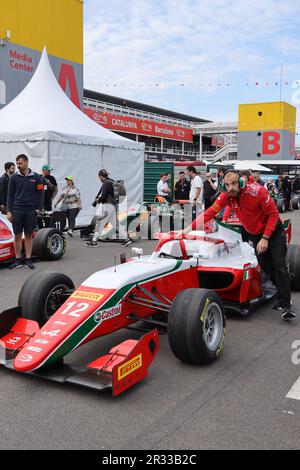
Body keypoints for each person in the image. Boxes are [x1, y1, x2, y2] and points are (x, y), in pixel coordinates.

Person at [178, 169, 295, 320]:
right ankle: (281, 294)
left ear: (241, 182)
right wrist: (187, 229)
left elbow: (273, 215)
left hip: (273, 232)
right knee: (266, 267)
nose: (231, 187)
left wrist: (265, 238)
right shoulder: (227, 195)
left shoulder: (258, 192)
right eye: (227, 184)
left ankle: (286, 305)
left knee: (279, 264)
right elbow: (209, 213)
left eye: (234, 183)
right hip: (255, 234)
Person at [7, 154, 44, 269]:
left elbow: (41, 194)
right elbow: (9, 195)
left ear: (27, 162)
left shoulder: (37, 177)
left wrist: (39, 208)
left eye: (20, 163)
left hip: (30, 211)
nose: (18, 166)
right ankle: (17, 259)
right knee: (17, 235)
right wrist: (9, 211)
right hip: (17, 210)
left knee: (28, 235)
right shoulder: (13, 177)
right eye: (17, 163)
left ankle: (28, 259)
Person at [85, 169, 132, 247]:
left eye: (99, 177)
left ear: (100, 176)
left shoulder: (105, 184)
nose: (99, 179)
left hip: (107, 206)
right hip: (114, 205)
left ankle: (94, 242)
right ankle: (126, 239)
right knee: (116, 224)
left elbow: (103, 197)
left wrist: (98, 200)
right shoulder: (112, 182)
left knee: (99, 223)